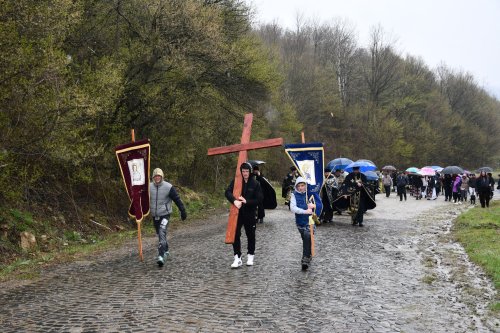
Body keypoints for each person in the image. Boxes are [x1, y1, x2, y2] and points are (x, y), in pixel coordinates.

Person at [225, 162, 263, 268]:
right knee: (235, 234)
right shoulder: (236, 181)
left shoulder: (255, 183)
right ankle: (237, 257)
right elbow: (227, 192)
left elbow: (259, 199)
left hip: (250, 213)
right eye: (243, 171)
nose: (245, 173)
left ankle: (250, 255)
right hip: (237, 213)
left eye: (247, 171)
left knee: (250, 234)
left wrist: (247, 201)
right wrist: (234, 201)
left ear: (250, 172)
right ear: (241, 172)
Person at [150, 168, 187, 267]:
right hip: (155, 215)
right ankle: (166, 250)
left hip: (165, 214)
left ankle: (161, 256)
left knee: (162, 231)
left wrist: (182, 210)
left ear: (162, 176)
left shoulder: (168, 187)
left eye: (159, 176)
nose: (157, 178)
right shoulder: (149, 187)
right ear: (153, 177)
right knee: (160, 234)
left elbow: (177, 199)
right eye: (155, 176)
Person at [290, 176, 315, 271]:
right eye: (299, 186)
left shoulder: (310, 193)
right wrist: (305, 211)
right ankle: (308, 254)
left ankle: (305, 259)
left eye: (302, 185)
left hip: (311, 222)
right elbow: (293, 208)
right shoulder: (294, 195)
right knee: (305, 239)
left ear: (306, 185)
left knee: (308, 235)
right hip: (300, 222)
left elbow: (319, 204)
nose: (301, 188)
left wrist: (313, 206)